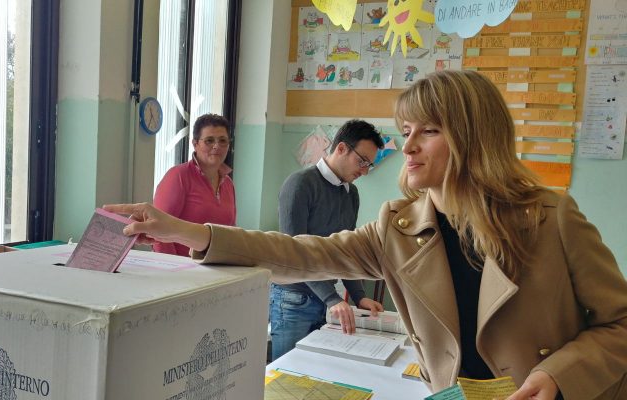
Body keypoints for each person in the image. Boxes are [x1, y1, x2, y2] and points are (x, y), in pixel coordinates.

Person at [106, 70, 627, 400]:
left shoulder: (550, 218)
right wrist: (187, 232)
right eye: (407, 132)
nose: (408, 148)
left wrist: (557, 375)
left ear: (474, 136)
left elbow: (619, 323)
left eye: (429, 130)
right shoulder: (399, 226)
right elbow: (299, 253)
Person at [270, 119, 385, 361]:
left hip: (324, 299)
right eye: (362, 161)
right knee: (286, 373)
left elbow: (346, 250)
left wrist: (359, 296)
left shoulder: (351, 194)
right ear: (341, 148)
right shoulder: (300, 184)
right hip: (294, 299)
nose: (365, 171)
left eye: (369, 165)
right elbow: (295, 252)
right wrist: (332, 298)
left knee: (316, 371)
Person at [152, 113, 235, 256]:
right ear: (195, 144)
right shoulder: (178, 176)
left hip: (218, 266)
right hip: (182, 267)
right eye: (209, 141)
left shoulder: (228, 184)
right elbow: (158, 230)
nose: (216, 146)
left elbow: (231, 232)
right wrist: (173, 267)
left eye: (222, 140)